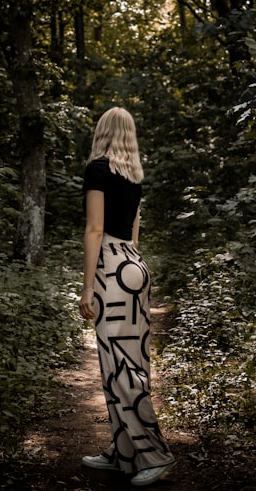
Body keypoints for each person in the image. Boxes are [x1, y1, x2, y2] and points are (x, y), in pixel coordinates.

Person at [78, 107, 176, 487]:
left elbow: (95, 229)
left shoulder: (97, 169)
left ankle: (155, 454)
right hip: (135, 266)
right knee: (129, 362)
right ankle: (124, 451)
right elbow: (134, 235)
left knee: (119, 365)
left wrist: (88, 286)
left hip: (112, 268)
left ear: (102, 131)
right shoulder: (133, 175)